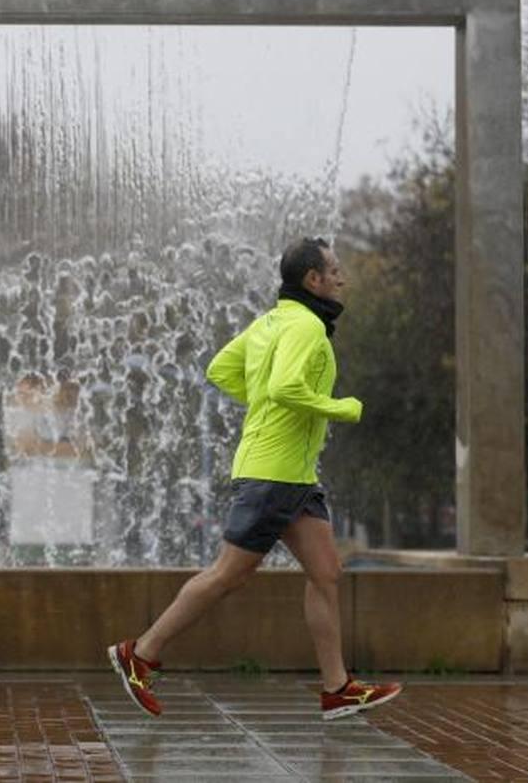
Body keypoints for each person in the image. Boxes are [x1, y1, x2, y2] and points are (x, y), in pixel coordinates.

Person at [107, 236, 402, 720]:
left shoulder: (270, 321)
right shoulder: (306, 326)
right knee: (228, 574)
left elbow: (220, 369)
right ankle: (139, 653)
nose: (342, 278)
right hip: (274, 475)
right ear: (313, 280)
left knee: (326, 573)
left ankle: (337, 688)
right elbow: (286, 387)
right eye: (334, 271)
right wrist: (340, 408)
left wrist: (264, 399)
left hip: (293, 475)